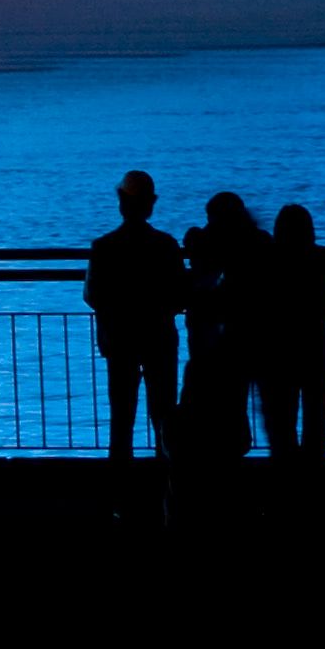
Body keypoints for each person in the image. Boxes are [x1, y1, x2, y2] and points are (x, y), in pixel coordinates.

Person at [85, 171, 184, 462]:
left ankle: (121, 491)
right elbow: (180, 294)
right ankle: (167, 483)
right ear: (150, 203)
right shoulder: (165, 245)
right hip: (160, 339)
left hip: (119, 341)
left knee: (121, 418)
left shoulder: (104, 247)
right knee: (164, 414)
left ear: (121, 203)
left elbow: (92, 295)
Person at [181, 192, 261, 459]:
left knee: (206, 400)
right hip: (244, 338)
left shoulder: (206, 244)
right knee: (235, 403)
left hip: (213, 340)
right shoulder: (256, 244)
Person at [258, 204, 325, 461]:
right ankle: (314, 470)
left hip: (278, 346)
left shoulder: (268, 259)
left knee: (282, 420)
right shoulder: (321, 258)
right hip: (315, 344)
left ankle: (285, 473)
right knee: (316, 416)